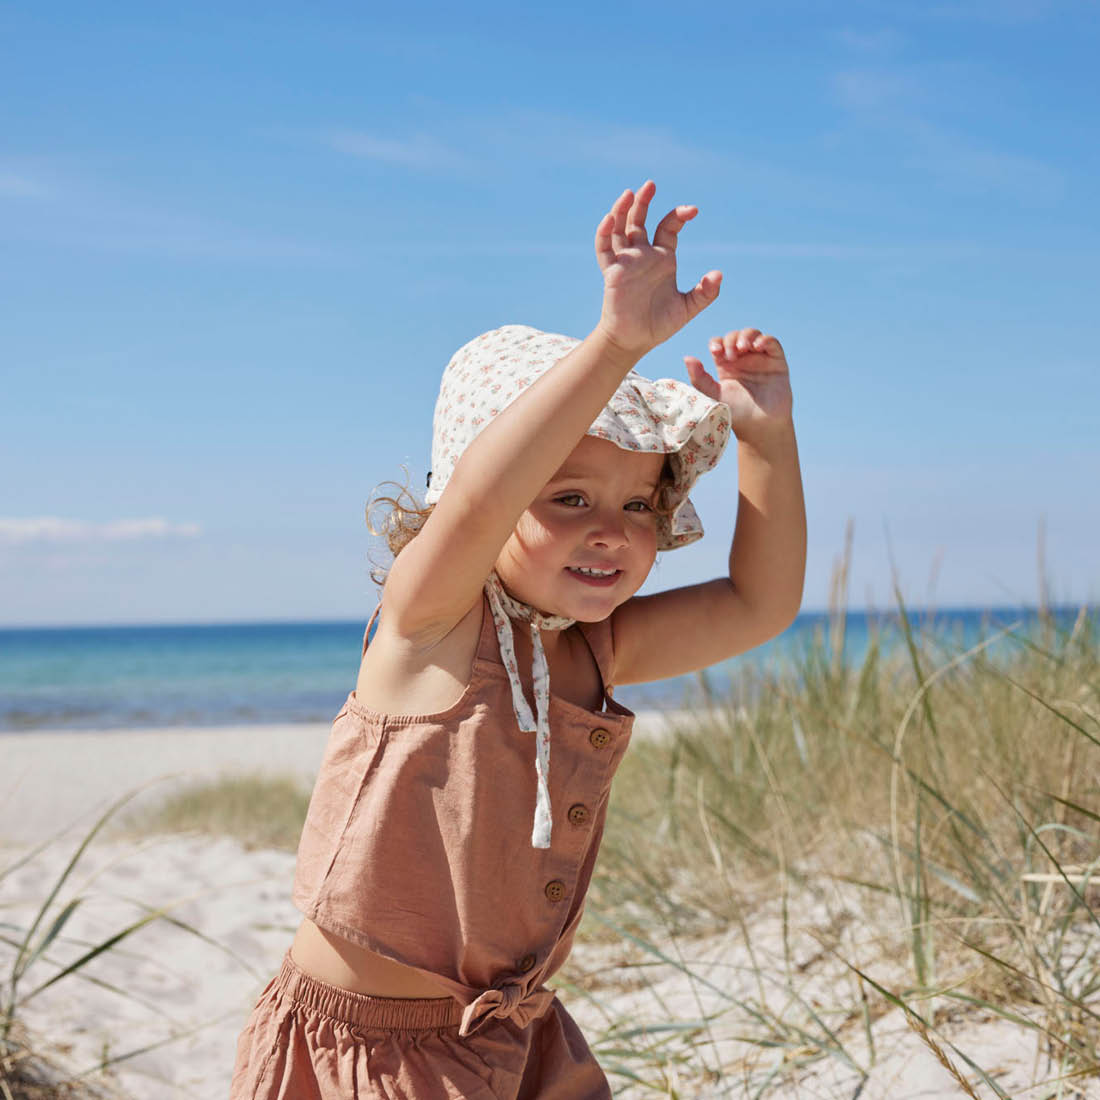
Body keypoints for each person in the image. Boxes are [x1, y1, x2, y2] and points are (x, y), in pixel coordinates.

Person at [229, 180, 806, 1099]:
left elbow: (755, 605)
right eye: (567, 497)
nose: (609, 529)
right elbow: (477, 502)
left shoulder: (595, 649)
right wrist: (616, 343)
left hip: (521, 1039)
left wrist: (766, 439)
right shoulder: (432, 625)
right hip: (376, 1059)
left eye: (636, 504)